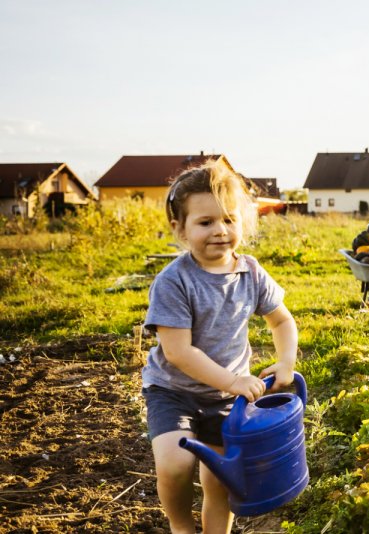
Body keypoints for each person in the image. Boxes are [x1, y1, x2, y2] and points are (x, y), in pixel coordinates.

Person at [141, 160, 299, 534]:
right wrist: (232, 381)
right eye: (205, 222)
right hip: (174, 391)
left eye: (229, 219)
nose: (220, 231)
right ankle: (181, 526)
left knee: (220, 479)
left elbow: (282, 321)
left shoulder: (251, 272)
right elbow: (179, 352)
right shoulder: (174, 282)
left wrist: (286, 363)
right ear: (178, 228)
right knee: (175, 463)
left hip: (228, 398)